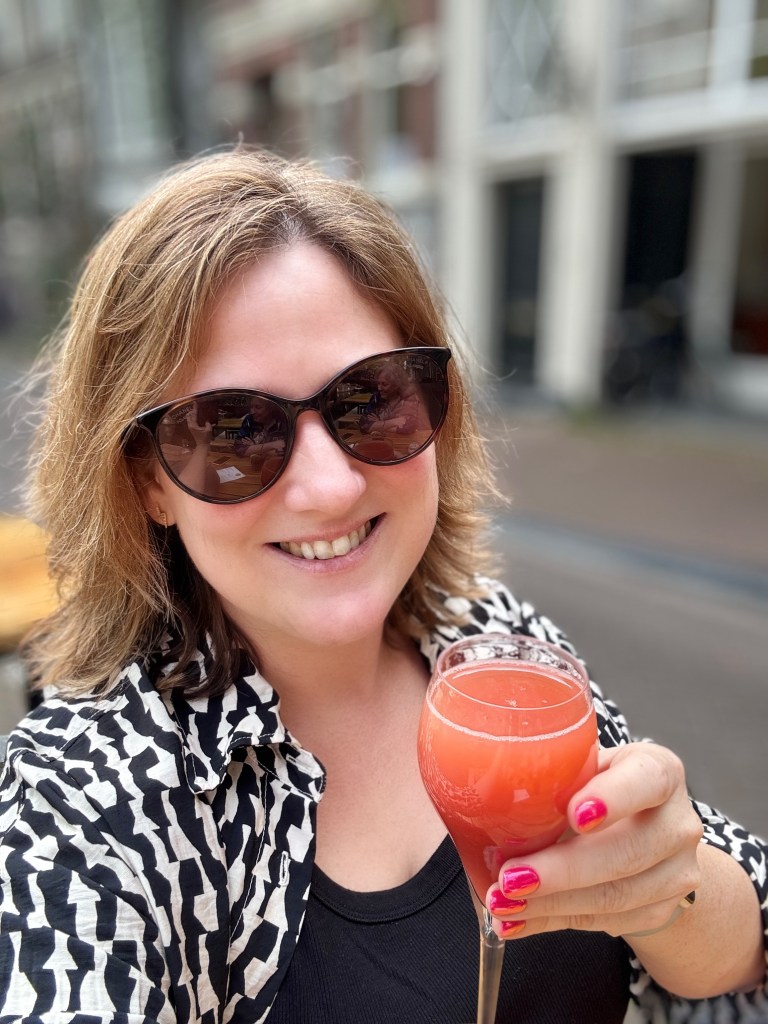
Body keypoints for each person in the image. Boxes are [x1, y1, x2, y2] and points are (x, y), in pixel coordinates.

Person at [0, 147, 765, 1024]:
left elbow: (738, 949)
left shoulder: (494, 647)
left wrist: (676, 886)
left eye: (370, 399)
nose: (329, 487)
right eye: (234, 431)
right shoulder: (83, 800)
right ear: (145, 483)